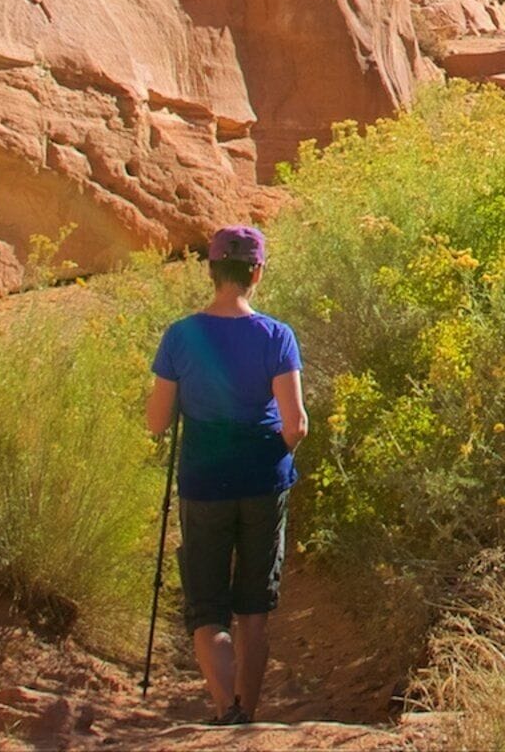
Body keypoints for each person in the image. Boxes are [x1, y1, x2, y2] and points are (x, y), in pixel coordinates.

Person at [147, 225, 307, 726]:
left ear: (212, 269)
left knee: (207, 609)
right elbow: (296, 425)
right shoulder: (276, 336)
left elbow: (157, 422)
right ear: (256, 272)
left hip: (202, 484)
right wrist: (266, 454)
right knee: (254, 610)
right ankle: (249, 718)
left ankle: (225, 711)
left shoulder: (180, 335)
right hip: (263, 481)